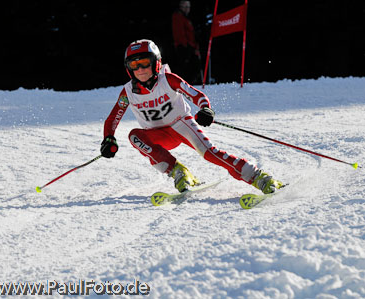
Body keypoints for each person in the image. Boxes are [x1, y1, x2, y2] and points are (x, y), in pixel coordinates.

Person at [100, 39, 283, 194]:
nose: (140, 69)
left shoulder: (168, 80)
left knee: (210, 153)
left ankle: (258, 177)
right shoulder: (127, 93)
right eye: (134, 65)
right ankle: (178, 171)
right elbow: (113, 118)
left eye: (144, 63)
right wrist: (108, 139)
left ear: (155, 62)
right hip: (159, 135)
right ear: (128, 69)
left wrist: (205, 109)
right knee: (134, 136)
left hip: (181, 125)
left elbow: (197, 95)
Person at [171, 0, 201, 84]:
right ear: (181, 7)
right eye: (185, 7)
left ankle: (189, 84)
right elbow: (179, 33)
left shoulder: (186, 17)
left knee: (193, 67)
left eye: (189, 7)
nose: (188, 9)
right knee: (186, 67)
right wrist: (186, 46)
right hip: (184, 46)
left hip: (190, 46)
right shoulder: (178, 16)